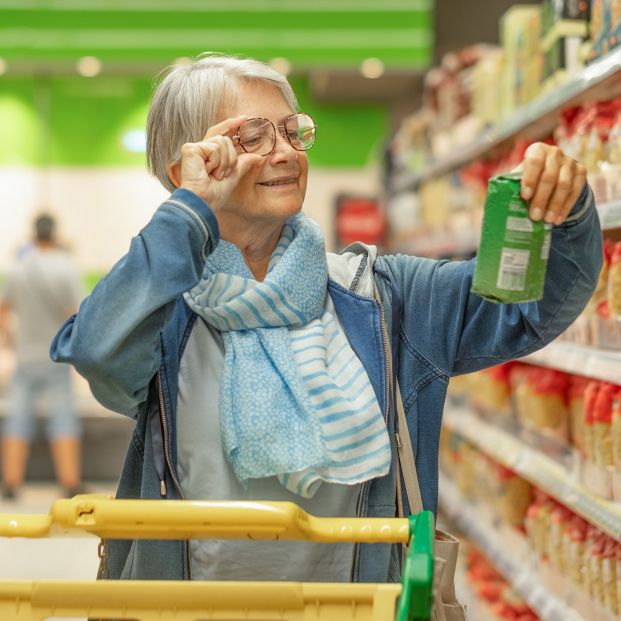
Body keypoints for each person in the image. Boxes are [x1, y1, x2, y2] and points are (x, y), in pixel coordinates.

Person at [51, 53, 601, 583]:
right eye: (252, 138)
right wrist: (188, 214)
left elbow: (530, 307)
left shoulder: (385, 297)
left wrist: (565, 207)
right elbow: (98, 350)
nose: (286, 152)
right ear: (188, 169)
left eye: (292, 132)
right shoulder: (162, 315)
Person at [1, 214, 84, 499]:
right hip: (55, 357)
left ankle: (11, 483)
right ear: (55, 233)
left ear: (33, 234)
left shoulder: (18, 267)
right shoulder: (66, 268)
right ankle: (70, 482)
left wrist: (11, 339)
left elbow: (3, 308)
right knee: (63, 419)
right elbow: (76, 313)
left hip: (25, 356)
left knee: (17, 419)